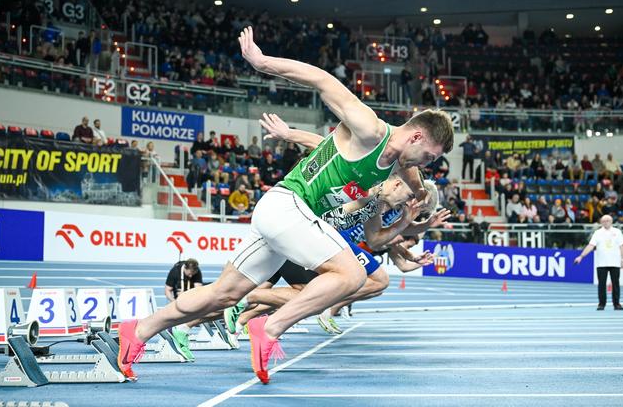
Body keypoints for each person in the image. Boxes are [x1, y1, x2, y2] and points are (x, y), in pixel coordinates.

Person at [117, 26, 454, 384]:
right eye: (428, 156)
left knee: (223, 296)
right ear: (416, 136)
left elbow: (413, 177)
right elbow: (321, 79)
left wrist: (417, 206)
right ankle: (270, 328)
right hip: (288, 207)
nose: (425, 164)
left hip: (284, 218)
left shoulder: (398, 162)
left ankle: (135, 332)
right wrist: (262, 62)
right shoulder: (370, 129)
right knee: (353, 275)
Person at [574, 215, 623, 310]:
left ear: (611, 221)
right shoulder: (597, 233)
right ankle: (601, 304)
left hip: (615, 261)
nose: (606, 222)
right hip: (602, 262)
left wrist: (622, 259)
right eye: (604, 221)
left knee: (615, 283)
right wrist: (581, 256)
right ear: (601, 222)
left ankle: (616, 304)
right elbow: (591, 245)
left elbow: (621, 246)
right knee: (601, 284)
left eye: (608, 220)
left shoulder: (617, 232)